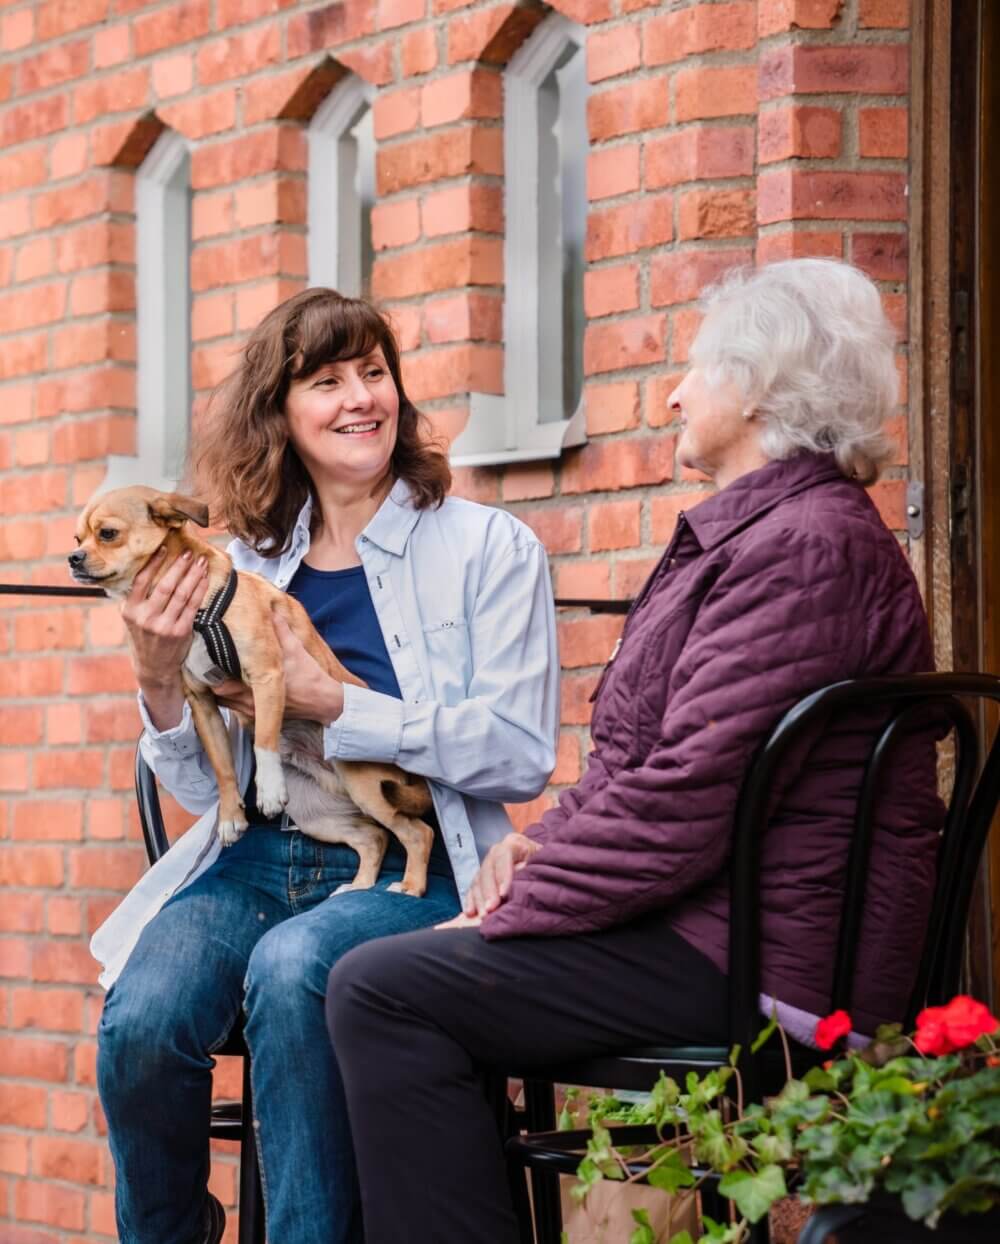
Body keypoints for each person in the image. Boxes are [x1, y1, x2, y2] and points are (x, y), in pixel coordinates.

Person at [325, 258, 945, 1243]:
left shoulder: (801, 549)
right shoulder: (773, 534)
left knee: (383, 987)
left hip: (762, 957)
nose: (672, 391)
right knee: (394, 972)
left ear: (753, 388)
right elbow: (647, 766)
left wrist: (522, 907)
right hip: (716, 923)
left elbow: (690, 792)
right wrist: (534, 848)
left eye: (694, 368)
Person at [91, 288, 559, 1244]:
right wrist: (157, 678)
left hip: (414, 867)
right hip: (258, 860)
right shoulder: (242, 564)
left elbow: (518, 755)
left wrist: (340, 705)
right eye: (326, 381)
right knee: (143, 1014)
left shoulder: (486, 548)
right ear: (281, 415)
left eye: (374, 373)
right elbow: (196, 789)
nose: (360, 399)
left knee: (295, 966)